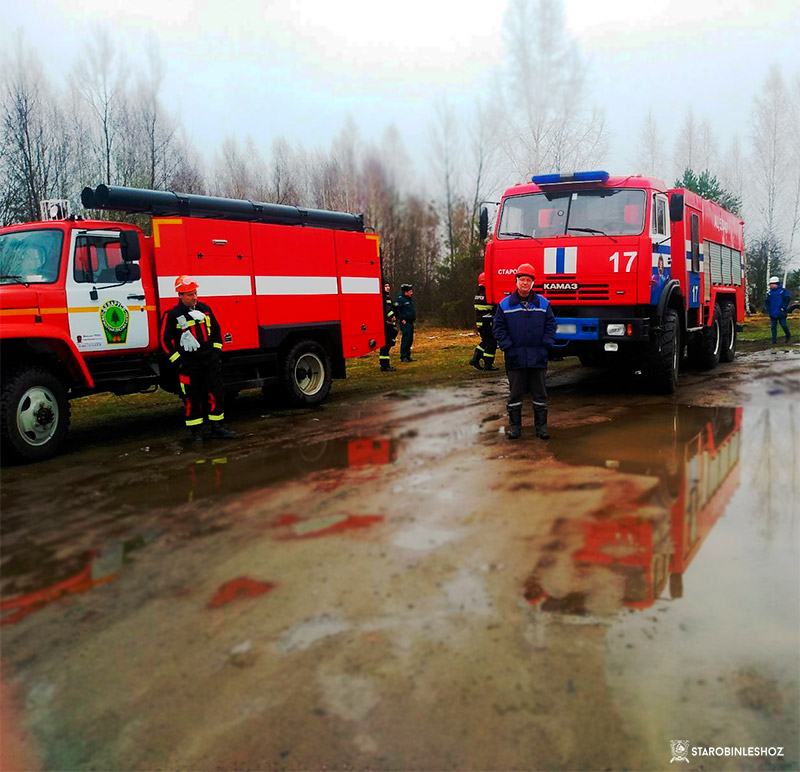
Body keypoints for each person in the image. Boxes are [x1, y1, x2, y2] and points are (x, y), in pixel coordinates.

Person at [160, 275, 236, 444]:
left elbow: (216, 331)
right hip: (189, 364)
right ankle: (196, 432)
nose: (194, 297)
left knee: (216, 392)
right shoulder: (172, 315)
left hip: (210, 362)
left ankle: (217, 427)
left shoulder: (205, 310)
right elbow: (164, 341)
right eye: (189, 294)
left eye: (195, 293)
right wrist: (179, 361)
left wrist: (216, 353)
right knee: (192, 397)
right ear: (180, 295)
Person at [493, 263, 556, 440]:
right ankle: (515, 428)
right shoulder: (505, 305)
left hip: (538, 357)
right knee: (515, 395)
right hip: (515, 358)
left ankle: (541, 429)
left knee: (540, 395)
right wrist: (507, 346)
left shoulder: (543, 304)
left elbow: (551, 325)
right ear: (516, 281)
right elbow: (498, 328)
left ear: (533, 282)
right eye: (522, 279)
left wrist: (546, 344)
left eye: (528, 280)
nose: (525, 283)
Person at [469, 271, 498, 370]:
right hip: (487, 322)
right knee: (491, 342)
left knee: (485, 341)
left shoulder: (478, 293)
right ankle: (488, 364)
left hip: (480, 322)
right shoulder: (488, 293)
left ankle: (475, 358)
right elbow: (494, 306)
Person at [764, 276, 791, 344]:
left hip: (781, 312)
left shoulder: (783, 291)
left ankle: (788, 335)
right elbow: (767, 302)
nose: (772, 285)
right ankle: (774, 340)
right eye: (771, 284)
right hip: (772, 312)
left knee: (783, 325)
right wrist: (768, 309)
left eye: (773, 284)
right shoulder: (769, 293)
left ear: (777, 284)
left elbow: (787, 299)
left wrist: (783, 307)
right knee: (773, 326)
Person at [379, 280, 398, 371]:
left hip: (389, 325)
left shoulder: (387, 296)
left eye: (388, 286)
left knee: (389, 343)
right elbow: (386, 308)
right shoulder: (383, 297)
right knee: (386, 345)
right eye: (386, 286)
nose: (388, 287)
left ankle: (385, 364)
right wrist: (391, 315)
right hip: (386, 324)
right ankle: (384, 365)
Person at [395, 283, 416, 362]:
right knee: (405, 339)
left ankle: (408, 355)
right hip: (405, 323)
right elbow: (396, 311)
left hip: (410, 322)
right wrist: (401, 319)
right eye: (410, 291)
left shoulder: (408, 299)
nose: (412, 293)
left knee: (410, 339)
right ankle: (403, 356)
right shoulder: (400, 299)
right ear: (406, 292)